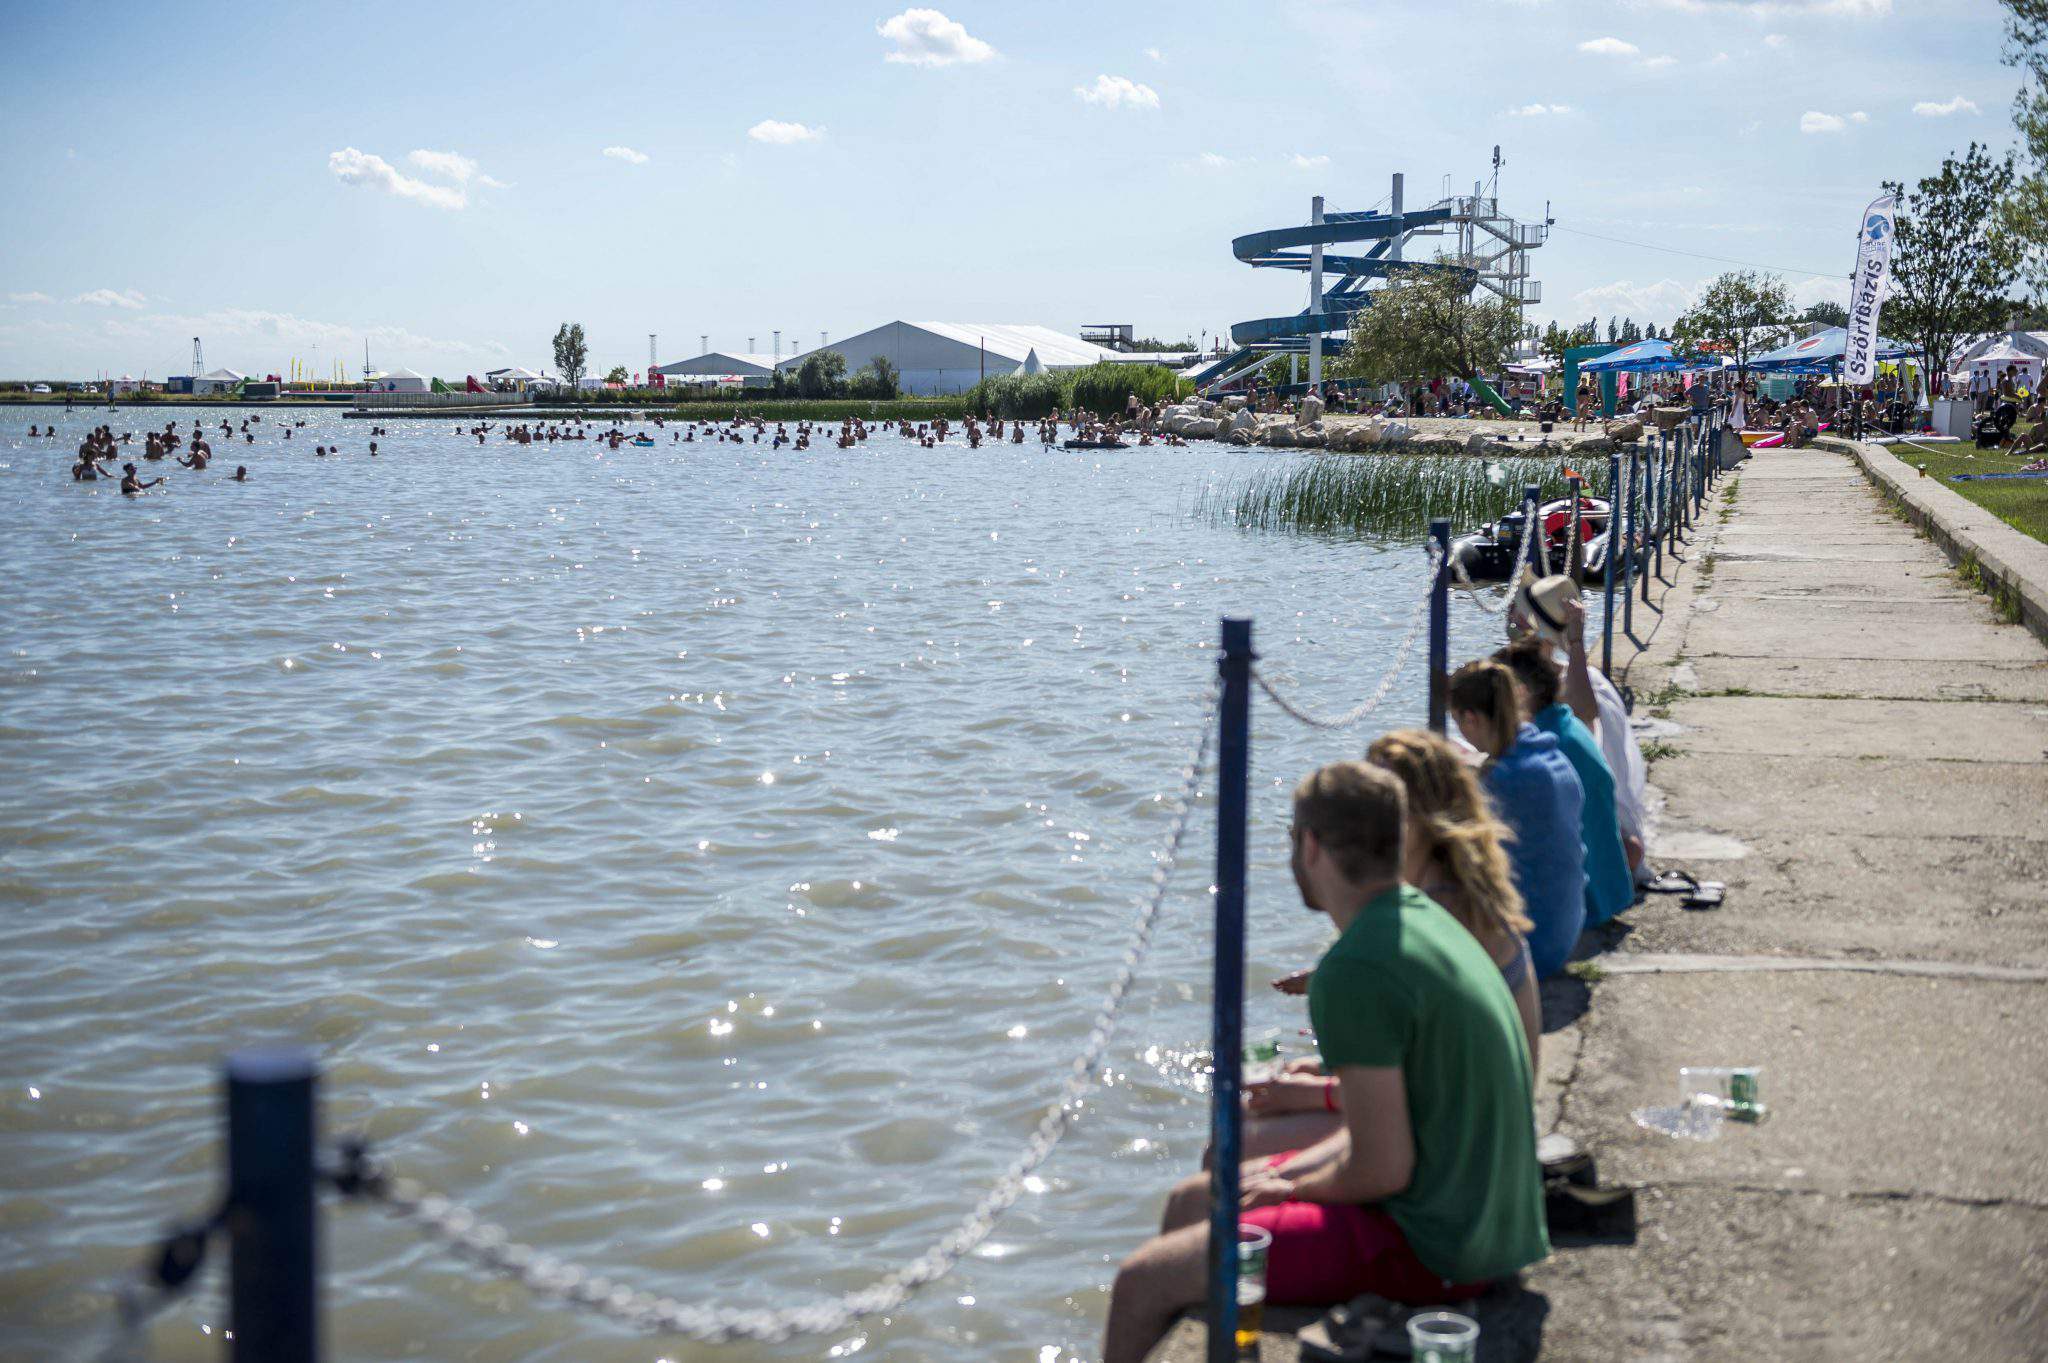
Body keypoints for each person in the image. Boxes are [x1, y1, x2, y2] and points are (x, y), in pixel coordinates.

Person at [1102, 763, 1549, 1363]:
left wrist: (1294, 1185)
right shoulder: (1424, 920)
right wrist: (1287, 1176)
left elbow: (1383, 1168)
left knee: (1141, 1280)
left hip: (1439, 1247)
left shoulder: (1354, 968)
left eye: (1292, 838)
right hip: (1491, 1219)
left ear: (1310, 846)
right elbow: (1390, 1129)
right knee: (1192, 1199)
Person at [1243, 731, 1542, 1160]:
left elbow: (1424, 1097)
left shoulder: (1442, 911)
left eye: (1387, 802)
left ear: (1420, 815)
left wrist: (1311, 1092)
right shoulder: (1452, 893)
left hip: (1470, 1140)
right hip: (1486, 1119)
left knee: (1239, 1139)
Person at [1448, 659, 1586, 978]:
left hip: (1534, 946)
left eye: (1458, 722)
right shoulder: (1552, 758)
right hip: (1565, 929)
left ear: (1470, 718)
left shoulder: (1503, 782)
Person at [1508, 572, 1648, 881]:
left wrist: (1575, 641)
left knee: (1627, 850)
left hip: (1570, 800)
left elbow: (1585, 711)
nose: (1512, 618)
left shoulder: (1581, 682)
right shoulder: (1515, 672)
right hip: (1547, 792)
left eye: (1519, 615)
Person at [1494, 639, 1632, 927]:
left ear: (1520, 693)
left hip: (1585, 905)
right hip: (1610, 894)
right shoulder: (1568, 725)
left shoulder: (1546, 749)